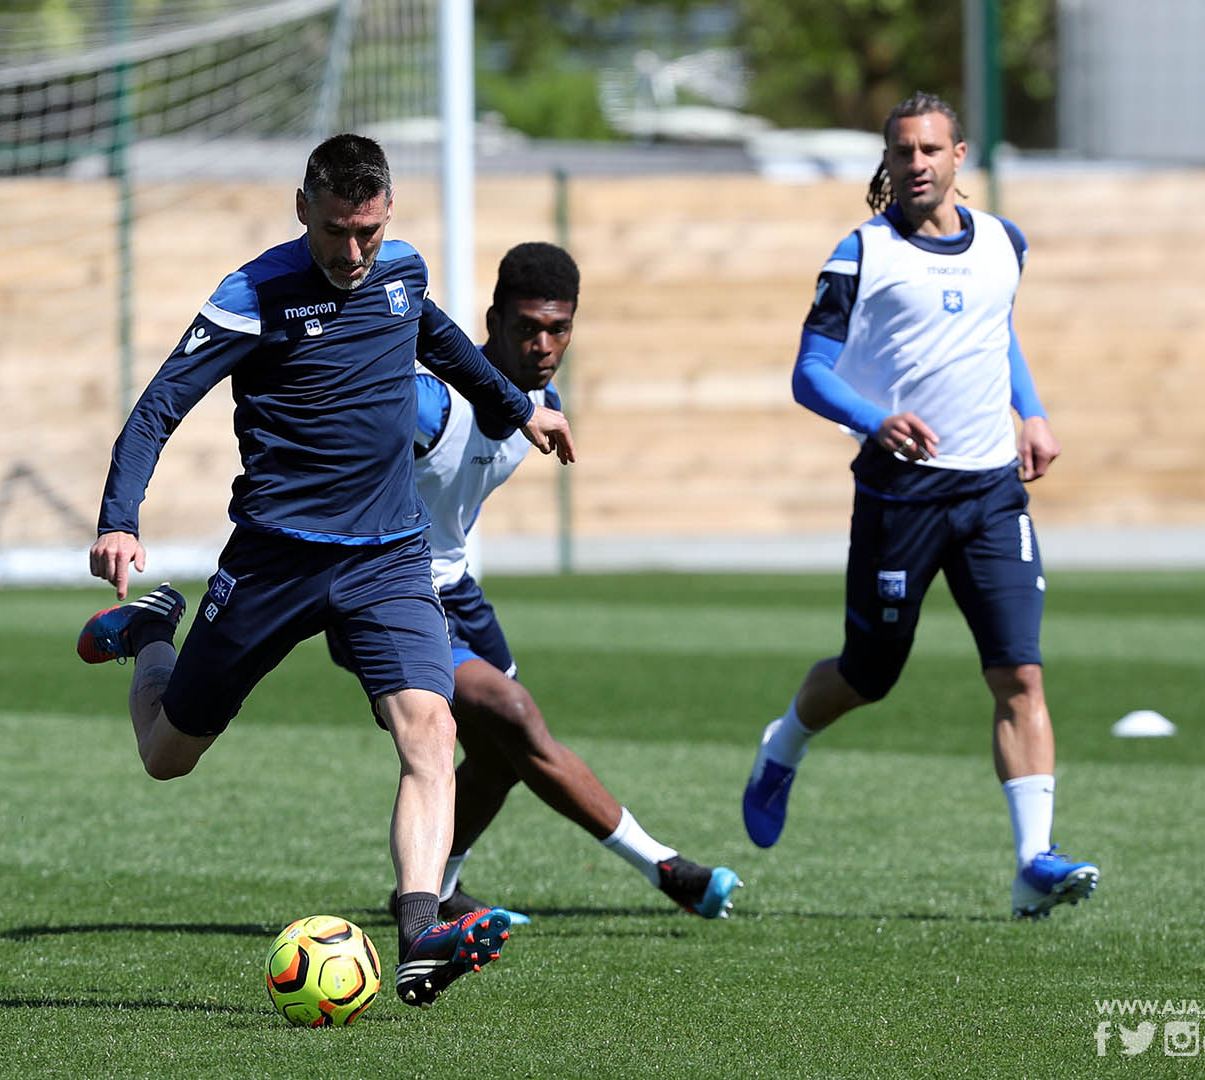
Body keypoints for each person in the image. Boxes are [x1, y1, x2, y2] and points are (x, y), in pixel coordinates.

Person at [78, 134, 575, 1006]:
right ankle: (155, 634)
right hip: (274, 560)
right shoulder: (253, 293)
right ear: (302, 206)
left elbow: (444, 341)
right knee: (166, 755)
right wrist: (120, 519)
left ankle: (420, 931)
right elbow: (160, 404)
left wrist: (516, 409)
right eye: (339, 231)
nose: (353, 253)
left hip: (387, 553)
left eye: (370, 233)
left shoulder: (402, 272)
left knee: (431, 729)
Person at [740, 92, 1098, 919]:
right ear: (888, 161)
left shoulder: (1005, 243)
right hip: (900, 497)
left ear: (960, 155)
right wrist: (875, 421)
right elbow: (809, 373)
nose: (918, 163)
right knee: (870, 676)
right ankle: (783, 743)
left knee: (1019, 672)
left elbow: (994, 328)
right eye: (903, 151)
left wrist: (1031, 411)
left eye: (932, 149)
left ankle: (1031, 861)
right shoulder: (861, 254)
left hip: (991, 493)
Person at [340, 242, 740, 923]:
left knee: (500, 755)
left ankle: (439, 887)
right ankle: (666, 869)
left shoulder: (540, 400)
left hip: (459, 589)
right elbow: (345, 425)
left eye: (559, 328)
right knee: (515, 715)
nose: (544, 344)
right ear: (492, 320)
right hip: (387, 592)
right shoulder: (431, 401)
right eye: (527, 327)